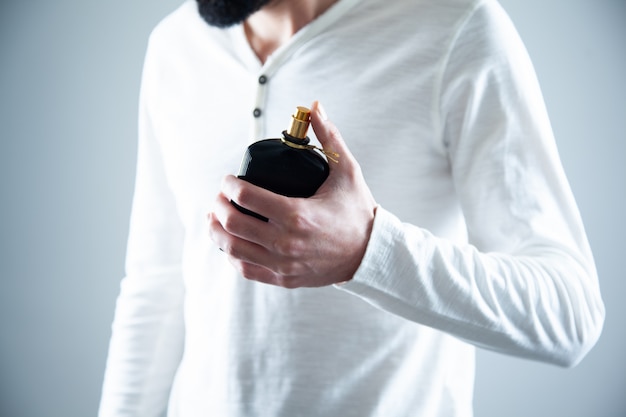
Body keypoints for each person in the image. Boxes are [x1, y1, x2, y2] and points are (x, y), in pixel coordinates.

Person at [99, 0, 605, 415]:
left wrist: (369, 251)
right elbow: (156, 287)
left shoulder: (457, 26)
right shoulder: (174, 46)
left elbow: (570, 314)